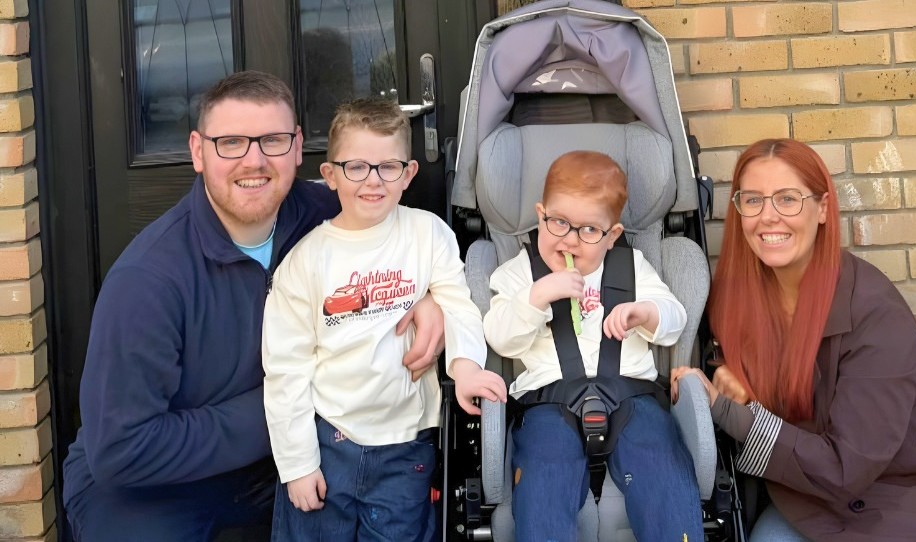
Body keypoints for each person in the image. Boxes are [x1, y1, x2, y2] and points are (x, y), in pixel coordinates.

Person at [61, 71, 445, 542]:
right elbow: (122, 449)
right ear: (198, 151)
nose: (254, 160)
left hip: (287, 459)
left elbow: (412, 245)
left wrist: (429, 297)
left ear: (298, 147)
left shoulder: (333, 215)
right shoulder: (147, 280)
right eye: (231, 143)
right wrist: (290, 407)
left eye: (273, 141)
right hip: (152, 488)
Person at [672, 138, 916, 542]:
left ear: (823, 208)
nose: (768, 216)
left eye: (787, 199)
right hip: (805, 497)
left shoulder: (877, 316)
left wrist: (731, 411)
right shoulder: (738, 298)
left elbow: (848, 469)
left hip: (900, 498)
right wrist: (735, 385)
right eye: (753, 200)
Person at [262, 97, 507, 541]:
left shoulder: (426, 234)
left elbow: (458, 304)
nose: (373, 180)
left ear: (408, 174)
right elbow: (285, 368)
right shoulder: (306, 261)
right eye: (356, 167)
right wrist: (297, 464)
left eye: (388, 167)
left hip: (405, 446)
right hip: (329, 440)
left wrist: (466, 367)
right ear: (330, 175)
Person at [483, 150, 704, 542]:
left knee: (664, 471)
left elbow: (675, 320)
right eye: (559, 223)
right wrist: (536, 297)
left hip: (633, 395)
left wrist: (645, 312)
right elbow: (499, 336)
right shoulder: (517, 273)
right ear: (540, 215)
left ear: (612, 235)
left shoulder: (631, 266)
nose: (570, 239)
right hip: (547, 402)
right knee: (543, 486)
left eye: (588, 230)